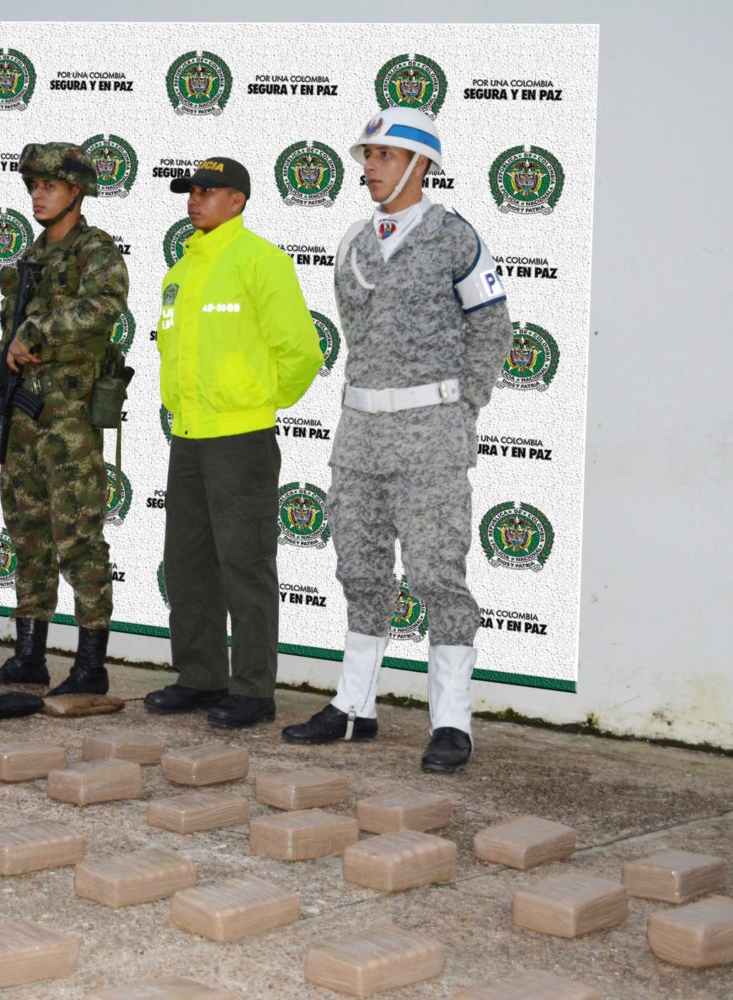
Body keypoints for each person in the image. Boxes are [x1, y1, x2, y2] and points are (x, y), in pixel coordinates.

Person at [281, 108, 513, 772]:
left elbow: (492, 329)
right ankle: (354, 707)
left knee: (438, 575)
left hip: (430, 436)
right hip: (359, 439)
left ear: (421, 164)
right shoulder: (354, 241)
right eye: (368, 154)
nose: (370, 164)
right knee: (359, 570)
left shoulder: (453, 237)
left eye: (384, 154)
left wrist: (462, 406)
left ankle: (451, 721)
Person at [146, 158, 324, 729]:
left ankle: (252, 690)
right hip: (188, 437)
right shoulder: (180, 270)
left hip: (240, 437)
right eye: (190, 191)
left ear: (239, 200)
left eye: (208, 191)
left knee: (244, 565)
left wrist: (255, 401)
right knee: (188, 563)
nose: (194, 199)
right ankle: (199, 676)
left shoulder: (260, 261)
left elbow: (301, 351)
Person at [0, 142, 129, 696]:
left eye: (50, 187)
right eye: (33, 186)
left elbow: (104, 307)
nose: (38, 195)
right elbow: (9, 345)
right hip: (21, 417)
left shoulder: (97, 252)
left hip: (67, 421)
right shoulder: (30, 260)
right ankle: (29, 655)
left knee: (80, 540)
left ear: (76, 192)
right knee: (29, 536)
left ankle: (91, 666)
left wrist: (35, 334)